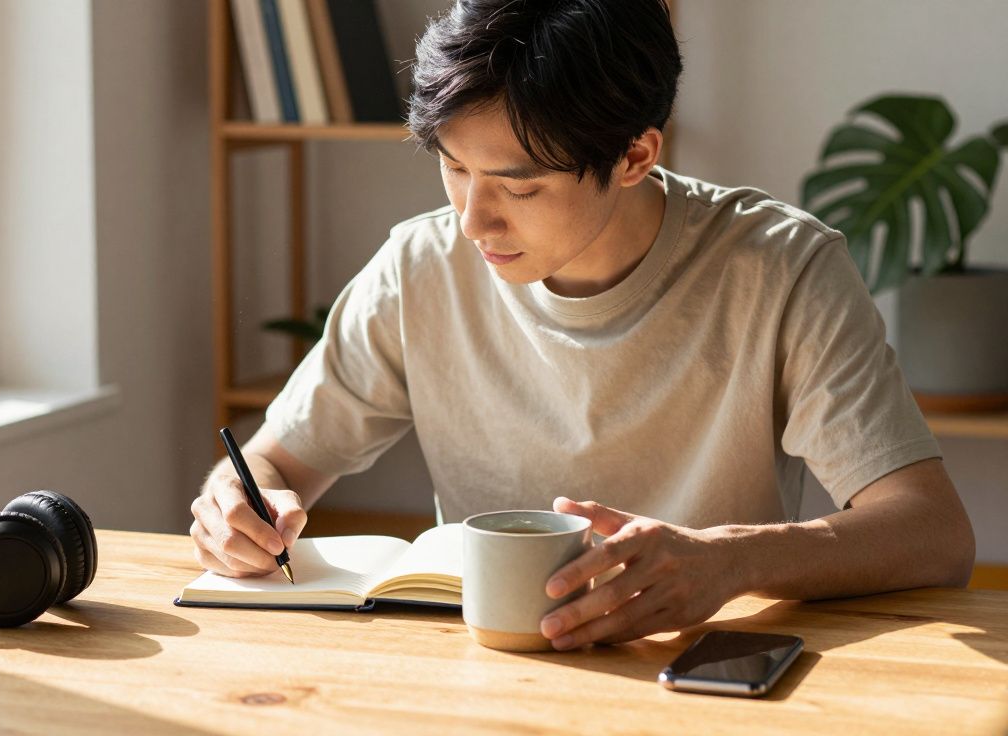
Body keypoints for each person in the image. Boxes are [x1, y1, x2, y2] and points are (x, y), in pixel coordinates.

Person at [190, 0, 975, 649]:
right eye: (453, 167)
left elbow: (933, 533)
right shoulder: (419, 266)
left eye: (517, 187)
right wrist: (237, 507)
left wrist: (726, 561)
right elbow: (273, 465)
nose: (472, 220)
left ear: (635, 155)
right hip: (485, 671)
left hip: (699, 672)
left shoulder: (781, 268)